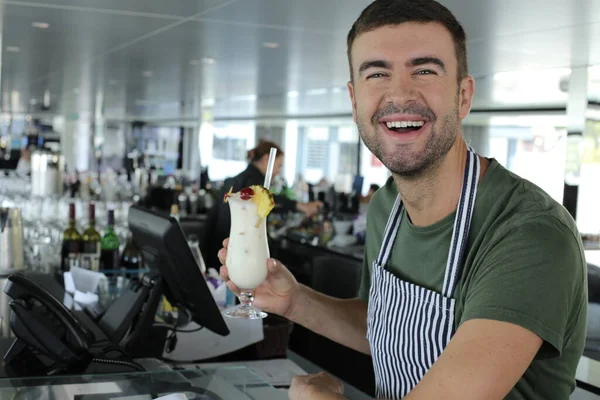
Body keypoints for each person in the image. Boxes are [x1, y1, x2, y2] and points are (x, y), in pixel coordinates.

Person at [219, 1, 588, 399]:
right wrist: (294, 300)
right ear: (354, 100)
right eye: (377, 73)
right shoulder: (387, 208)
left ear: (463, 96)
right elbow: (387, 325)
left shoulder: (528, 234)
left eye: (425, 70)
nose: (400, 93)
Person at [202, 140, 323, 271]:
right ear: (266, 159)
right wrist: (301, 206)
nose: (278, 171)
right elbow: (266, 200)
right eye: (279, 165)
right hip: (238, 250)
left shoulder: (237, 179)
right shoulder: (252, 180)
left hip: (219, 248)